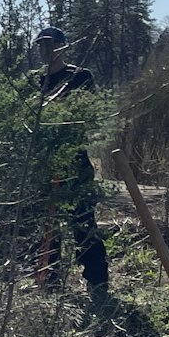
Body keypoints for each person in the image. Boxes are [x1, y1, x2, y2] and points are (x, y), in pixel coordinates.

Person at [30, 26, 108, 292]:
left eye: (51, 45)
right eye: (42, 45)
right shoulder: (35, 81)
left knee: (82, 220)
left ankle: (96, 280)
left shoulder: (78, 76)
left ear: (63, 47)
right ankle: (47, 278)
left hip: (73, 160)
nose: (46, 50)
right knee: (45, 224)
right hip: (44, 161)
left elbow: (84, 114)